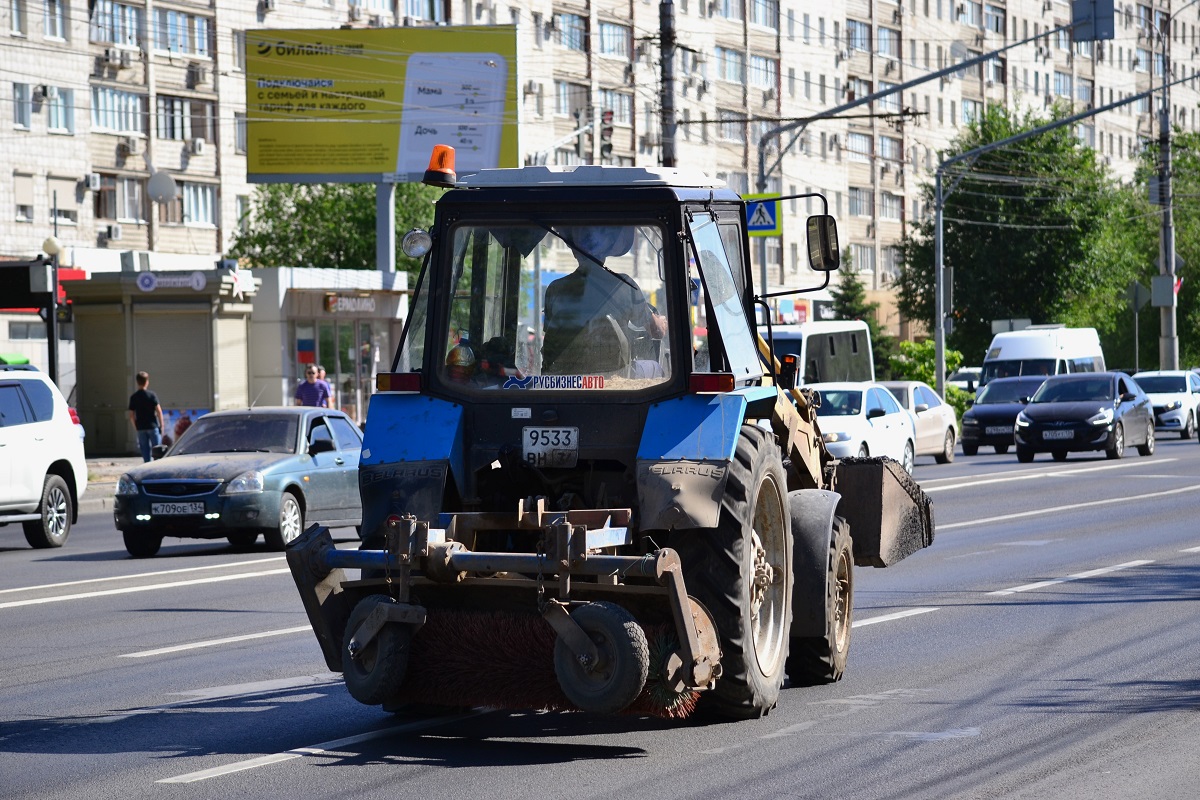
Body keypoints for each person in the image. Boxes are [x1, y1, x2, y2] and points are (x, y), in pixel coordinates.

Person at [542, 226, 666, 375]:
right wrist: (661, 321)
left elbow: (551, 339)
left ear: (573, 250)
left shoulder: (555, 289)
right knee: (655, 368)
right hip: (615, 377)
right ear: (608, 248)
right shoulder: (625, 285)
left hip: (566, 379)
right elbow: (656, 332)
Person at [128, 371, 164, 462]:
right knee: (157, 451)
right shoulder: (152, 395)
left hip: (141, 427)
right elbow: (159, 411)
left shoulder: (134, 397)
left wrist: (135, 426)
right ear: (147, 381)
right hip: (152, 426)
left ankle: (147, 467)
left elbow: (131, 415)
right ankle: (157, 469)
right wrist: (161, 425)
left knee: (145, 451)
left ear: (137, 382)